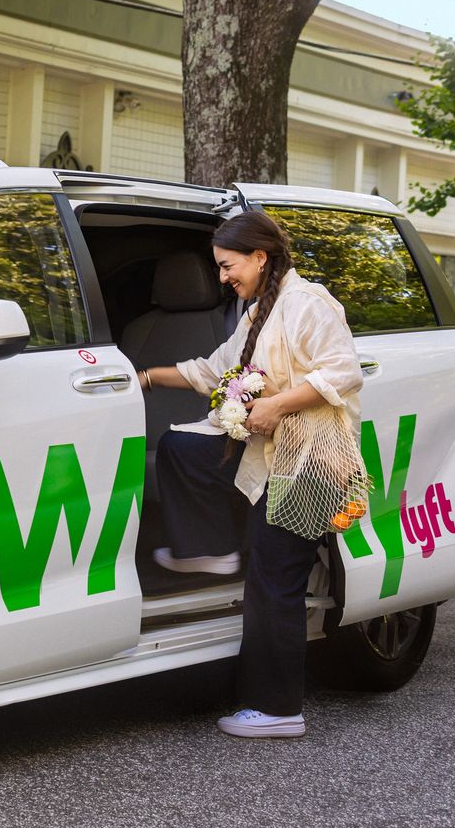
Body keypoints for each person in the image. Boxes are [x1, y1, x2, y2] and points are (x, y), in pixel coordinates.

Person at [135, 210, 364, 739]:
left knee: (274, 580)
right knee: (181, 447)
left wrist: (278, 405)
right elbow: (212, 371)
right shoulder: (259, 312)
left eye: (227, 266)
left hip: (311, 463)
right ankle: (209, 548)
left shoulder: (307, 304)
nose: (222, 278)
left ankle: (277, 709)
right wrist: (142, 376)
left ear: (260, 257)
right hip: (270, 456)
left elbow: (343, 371)